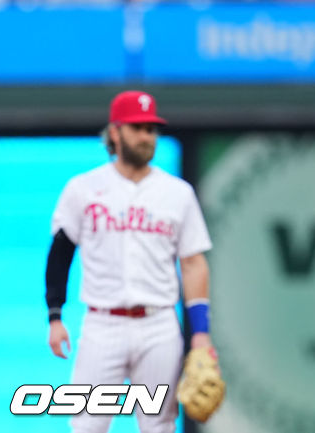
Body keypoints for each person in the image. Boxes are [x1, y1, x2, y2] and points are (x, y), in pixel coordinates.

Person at [45, 90, 217, 433]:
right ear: (115, 132)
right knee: (87, 425)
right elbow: (61, 253)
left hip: (158, 325)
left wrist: (201, 332)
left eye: (151, 129)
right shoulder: (83, 188)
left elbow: (194, 262)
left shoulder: (177, 193)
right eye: (137, 127)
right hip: (102, 323)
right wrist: (55, 315)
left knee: (159, 426)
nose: (146, 136)